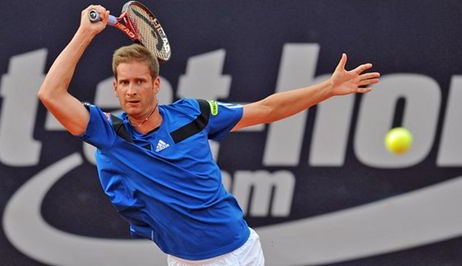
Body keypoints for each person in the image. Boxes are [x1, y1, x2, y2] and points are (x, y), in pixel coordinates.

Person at [38, 5, 380, 266]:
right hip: (183, 259)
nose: (131, 91)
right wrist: (86, 33)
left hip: (238, 253)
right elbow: (51, 94)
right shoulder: (109, 133)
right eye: (124, 83)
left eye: (139, 81)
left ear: (156, 85)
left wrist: (328, 89)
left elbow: (266, 109)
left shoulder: (194, 114)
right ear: (114, 87)